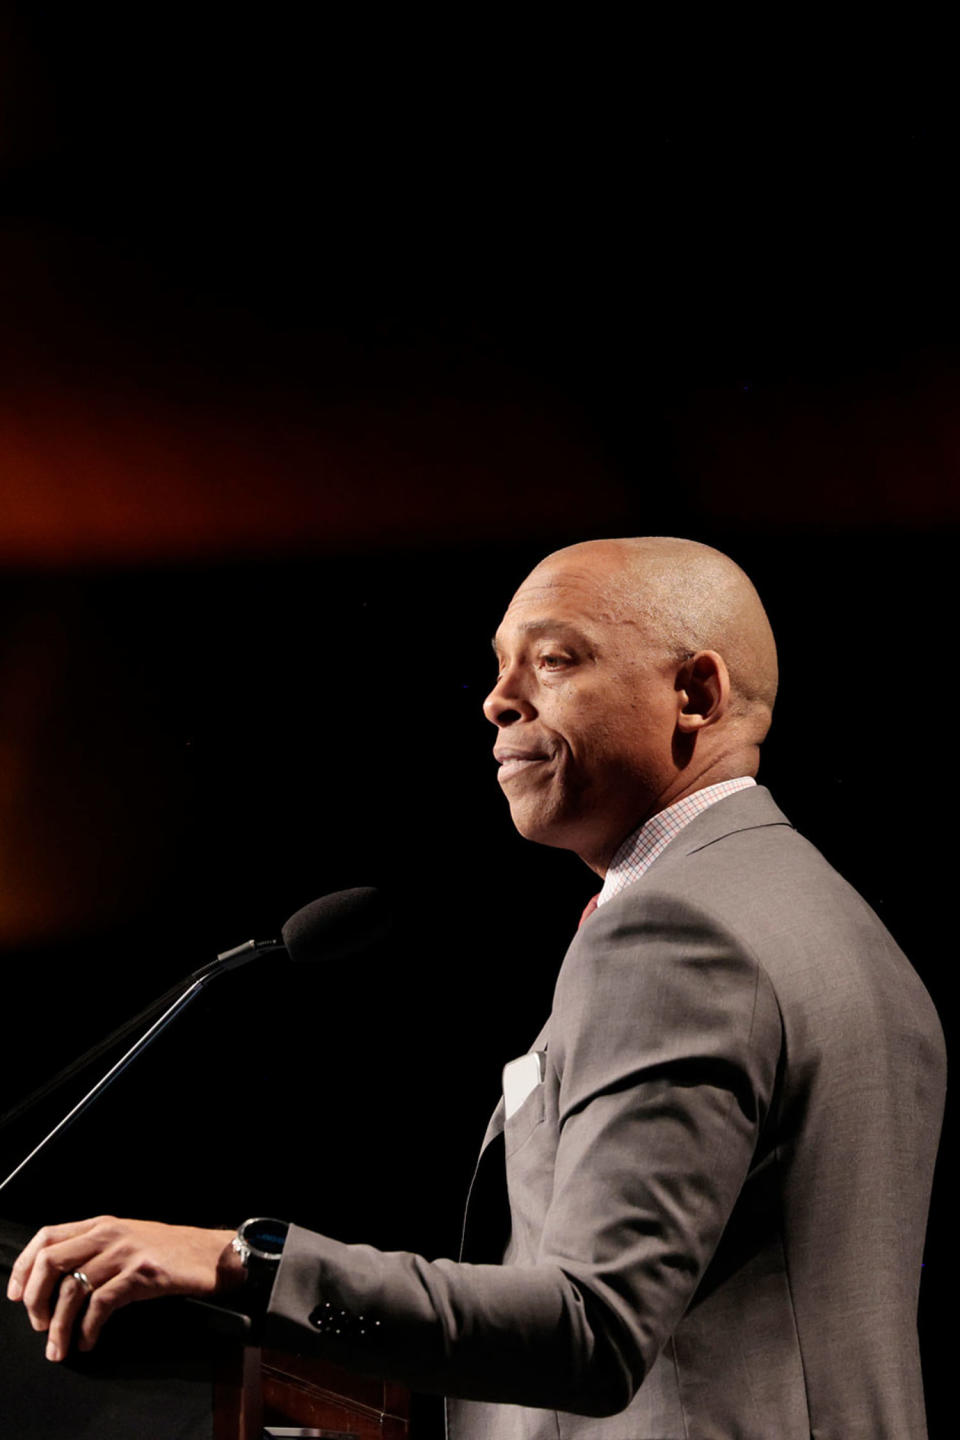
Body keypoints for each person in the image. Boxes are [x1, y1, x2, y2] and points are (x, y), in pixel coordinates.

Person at [5, 538, 946, 1438]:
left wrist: (244, 1264)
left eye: (553, 661)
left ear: (695, 692)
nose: (498, 702)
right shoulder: (837, 925)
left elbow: (591, 1329)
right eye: (500, 666)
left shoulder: (676, 933)